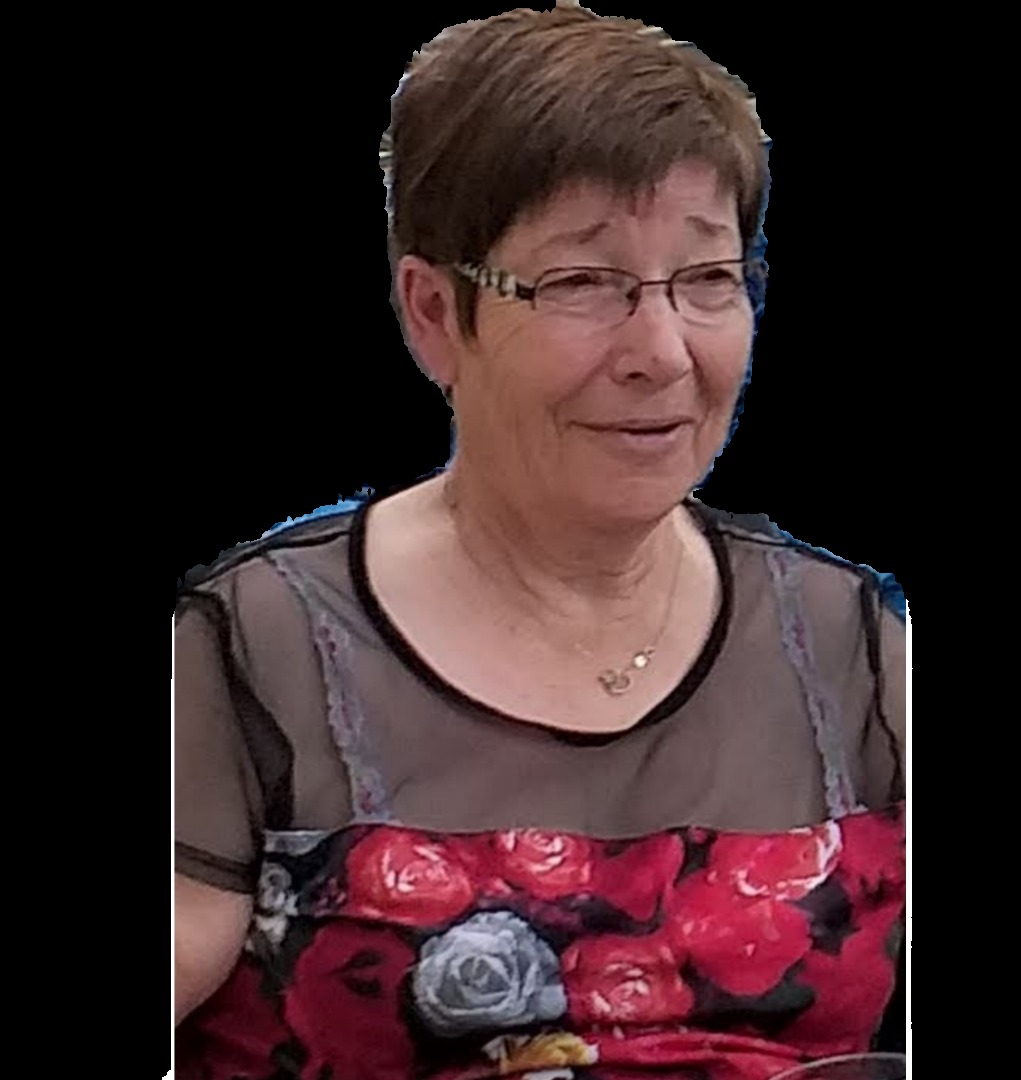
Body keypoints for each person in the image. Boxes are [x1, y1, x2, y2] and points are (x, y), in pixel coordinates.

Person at [174, 4, 907, 1078]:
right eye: (583, 283)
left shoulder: (851, 649)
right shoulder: (259, 651)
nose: (663, 352)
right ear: (434, 313)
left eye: (706, 279)